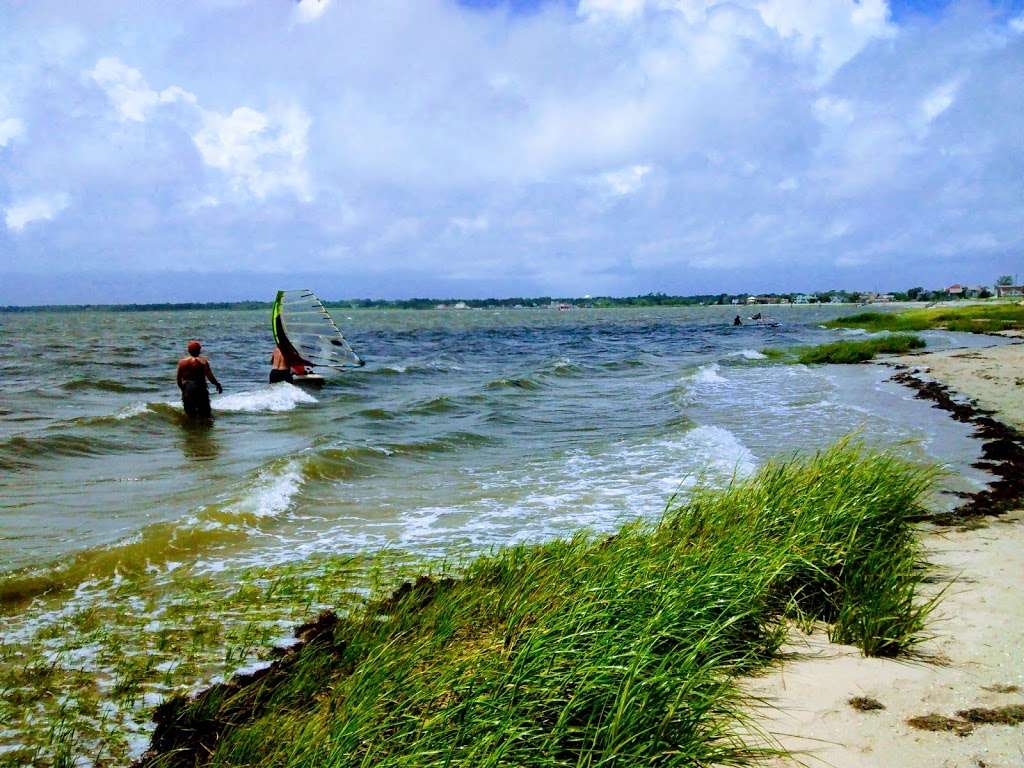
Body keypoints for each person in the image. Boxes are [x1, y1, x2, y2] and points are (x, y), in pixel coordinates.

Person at [177, 340, 222, 419]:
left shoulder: (182, 362)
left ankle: (191, 430)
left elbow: (178, 380)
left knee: (190, 414)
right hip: (201, 388)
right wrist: (217, 384)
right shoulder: (204, 362)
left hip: (188, 389)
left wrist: (183, 390)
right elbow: (210, 377)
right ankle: (204, 429)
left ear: (189, 350)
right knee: (205, 414)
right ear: (199, 350)